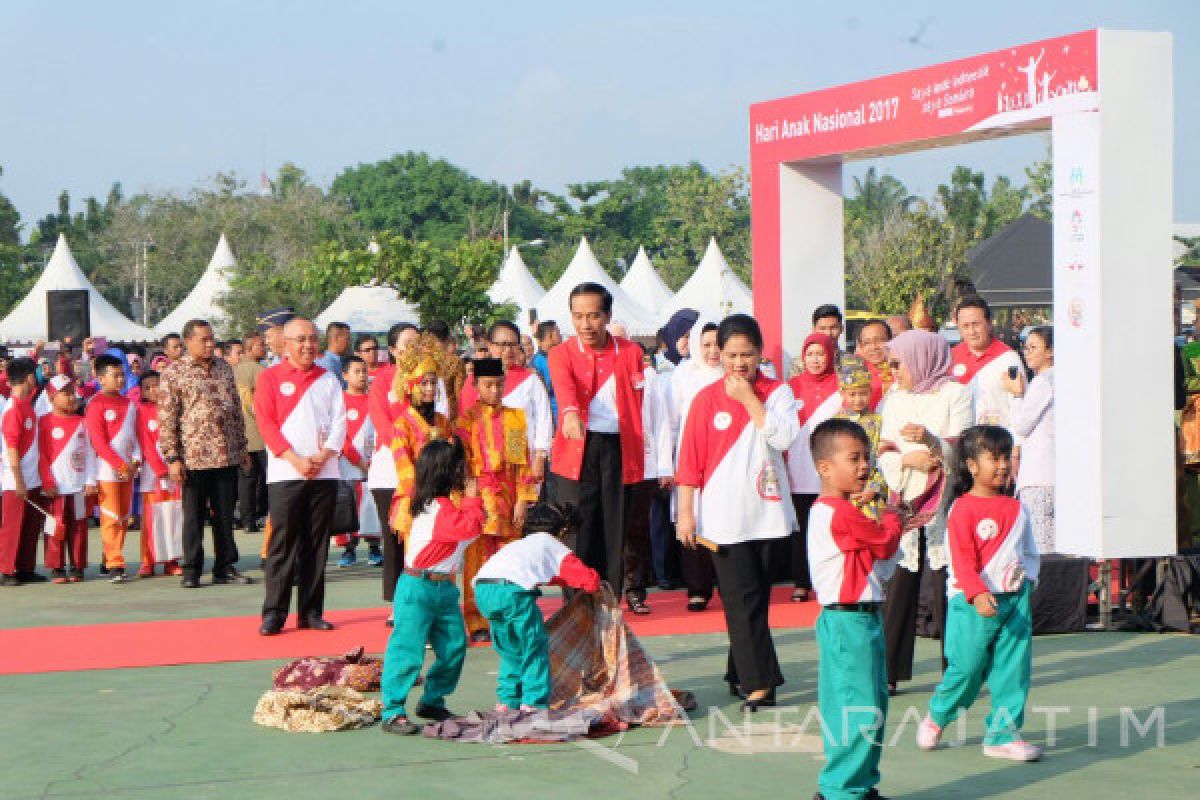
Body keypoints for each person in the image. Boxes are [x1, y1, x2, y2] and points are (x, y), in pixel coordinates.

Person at [676, 314, 800, 712]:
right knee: (740, 599)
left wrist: (749, 399)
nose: (738, 363)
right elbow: (689, 461)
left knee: (755, 600)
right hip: (722, 516)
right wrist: (686, 512)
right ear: (718, 354)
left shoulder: (777, 392)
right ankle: (761, 683)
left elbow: (784, 436)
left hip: (768, 513)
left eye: (747, 354)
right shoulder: (705, 399)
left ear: (760, 353)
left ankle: (738, 671)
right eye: (731, 354)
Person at [916, 425, 1042, 762]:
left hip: (1014, 602)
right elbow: (961, 559)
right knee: (967, 669)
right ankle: (938, 715)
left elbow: (1030, 551)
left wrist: (1028, 580)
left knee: (1012, 670)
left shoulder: (1018, 508)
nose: (1002, 465)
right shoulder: (962, 509)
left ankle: (1002, 735)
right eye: (994, 458)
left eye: (1007, 457)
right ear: (972, 465)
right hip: (971, 603)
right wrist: (976, 594)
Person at [807, 418, 903, 800]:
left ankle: (857, 786)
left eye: (866, 457)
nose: (864, 465)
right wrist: (895, 514)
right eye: (854, 458)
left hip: (858, 618)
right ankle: (841, 790)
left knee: (867, 705)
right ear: (825, 468)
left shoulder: (837, 510)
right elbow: (883, 542)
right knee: (859, 709)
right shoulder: (839, 512)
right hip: (849, 621)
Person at [878, 330, 974, 694]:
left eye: (898, 364)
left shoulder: (956, 393)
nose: (895, 372)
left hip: (945, 505)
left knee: (949, 590)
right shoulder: (894, 399)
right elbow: (884, 449)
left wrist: (931, 443)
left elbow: (961, 449)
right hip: (905, 502)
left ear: (921, 359)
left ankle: (958, 672)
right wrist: (906, 458)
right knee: (899, 589)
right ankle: (888, 670)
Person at [548, 283, 648, 596]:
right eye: (577, 317)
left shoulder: (630, 352)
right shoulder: (561, 353)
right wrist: (569, 413)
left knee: (614, 529)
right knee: (576, 530)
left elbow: (644, 401)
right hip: (577, 448)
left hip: (619, 450)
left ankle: (608, 603)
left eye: (593, 316)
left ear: (607, 315)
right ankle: (575, 605)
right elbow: (565, 391)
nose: (585, 325)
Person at [380, 437, 484, 735]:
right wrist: (473, 500)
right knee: (408, 649)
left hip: (442, 587)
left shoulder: (440, 506)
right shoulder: (437, 507)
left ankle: (431, 700)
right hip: (419, 586)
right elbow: (469, 528)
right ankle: (392, 710)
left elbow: (469, 530)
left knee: (454, 647)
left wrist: (469, 505)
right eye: (459, 468)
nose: (464, 474)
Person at [255, 318, 346, 635]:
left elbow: (340, 421)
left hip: (324, 473)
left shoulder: (329, 379)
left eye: (312, 338)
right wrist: (295, 459)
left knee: (316, 544)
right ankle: (274, 614)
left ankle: (310, 612)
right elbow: (266, 424)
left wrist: (324, 455)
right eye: (300, 339)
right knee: (283, 543)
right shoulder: (269, 378)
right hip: (285, 472)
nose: (307, 345)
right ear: (285, 343)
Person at [473, 502, 601, 711]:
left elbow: (539, 572)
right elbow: (587, 580)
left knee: (511, 651)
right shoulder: (552, 544)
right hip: (512, 593)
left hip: (483, 590)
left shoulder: (519, 545)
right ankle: (533, 703)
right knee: (534, 647)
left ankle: (507, 702)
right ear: (562, 530)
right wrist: (597, 582)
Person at [158, 319, 252, 589]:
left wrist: (242, 447)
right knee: (194, 517)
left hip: (225, 454)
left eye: (212, 338)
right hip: (193, 457)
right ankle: (192, 569)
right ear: (188, 341)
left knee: (224, 515)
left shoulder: (224, 368)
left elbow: (235, 409)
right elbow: (167, 419)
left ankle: (225, 566)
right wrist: (173, 457)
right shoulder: (175, 373)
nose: (211, 344)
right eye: (204, 339)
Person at [454, 357, 539, 642]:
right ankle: (477, 622)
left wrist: (522, 501)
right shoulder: (466, 421)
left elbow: (521, 463)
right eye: (488, 385)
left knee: (509, 560)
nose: (494, 390)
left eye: (499, 384)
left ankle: (510, 615)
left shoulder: (515, 417)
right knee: (477, 561)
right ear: (476, 385)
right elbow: (463, 467)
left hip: (508, 497)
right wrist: (470, 502)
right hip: (478, 497)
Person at [664, 316, 722, 610]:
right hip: (690, 456)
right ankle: (698, 588)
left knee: (724, 519)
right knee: (692, 519)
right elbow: (671, 421)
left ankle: (726, 583)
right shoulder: (684, 374)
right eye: (707, 344)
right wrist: (669, 462)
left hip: (723, 457)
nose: (713, 351)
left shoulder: (733, 374)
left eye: (717, 344)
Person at [367, 322, 421, 609]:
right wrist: (408, 451)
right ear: (392, 350)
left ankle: (422, 602)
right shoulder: (381, 381)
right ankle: (398, 604)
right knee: (394, 541)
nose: (414, 350)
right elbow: (382, 424)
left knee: (422, 539)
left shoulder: (428, 378)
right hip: (390, 472)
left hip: (424, 469)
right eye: (407, 344)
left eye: (418, 343)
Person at [459, 321, 553, 484]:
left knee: (519, 504)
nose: (508, 350)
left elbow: (543, 420)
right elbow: (465, 422)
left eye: (513, 345)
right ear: (489, 345)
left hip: (521, 462)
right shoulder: (475, 378)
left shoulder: (530, 379)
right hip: (482, 465)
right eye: (502, 344)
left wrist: (540, 456)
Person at [786, 332, 842, 602]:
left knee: (829, 525)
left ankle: (828, 579)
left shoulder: (842, 385)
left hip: (829, 469)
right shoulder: (791, 386)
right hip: (798, 468)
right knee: (802, 528)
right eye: (810, 354)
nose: (815, 359)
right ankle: (801, 581)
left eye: (821, 354)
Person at [84, 353, 141, 584]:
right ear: (100, 378)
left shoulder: (129, 403)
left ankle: (108, 558)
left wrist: (135, 462)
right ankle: (116, 563)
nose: (120, 380)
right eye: (115, 375)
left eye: (122, 375)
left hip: (127, 470)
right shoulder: (94, 404)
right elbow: (98, 442)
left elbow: (136, 438)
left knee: (124, 518)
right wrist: (119, 464)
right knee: (110, 517)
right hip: (107, 471)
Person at [38, 375, 96, 583]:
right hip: (55, 486)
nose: (72, 398)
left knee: (79, 525)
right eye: (66, 394)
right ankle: (56, 567)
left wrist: (91, 480)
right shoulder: (43, 422)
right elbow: (42, 455)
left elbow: (90, 453)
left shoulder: (83, 422)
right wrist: (47, 481)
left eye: (73, 394)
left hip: (79, 485)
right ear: (52, 397)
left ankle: (77, 565)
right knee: (55, 526)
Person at [1005, 327, 1055, 552]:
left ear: (1050, 352)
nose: (1027, 353)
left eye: (1034, 348)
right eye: (1026, 347)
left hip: (1039, 474)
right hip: (1054, 472)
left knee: (1041, 545)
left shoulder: (1043, 381)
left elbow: (1021, 425)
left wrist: (1016, 395)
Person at [1, 358, 47, 586]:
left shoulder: (28, 406)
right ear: (29, 377)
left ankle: (25, 567)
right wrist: (18, 481)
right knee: (12, 527)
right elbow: (11, 449)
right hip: (15, 480)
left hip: (32, 477)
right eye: (35, 375)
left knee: (30, 527)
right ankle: (5, 569)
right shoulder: (12, 410)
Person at [335, 355, 383, 568]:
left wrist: (373, 461)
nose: (362, 376)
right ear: (345, 375)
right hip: (348, 467)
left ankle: (374, 548)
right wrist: (357, 461)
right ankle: (349, 549)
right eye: (357, 371)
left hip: (372, 466)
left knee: (371, 506)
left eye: (364, 371)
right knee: (349, 507)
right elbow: (340, 436)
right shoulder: (339, 402)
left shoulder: (374, 400)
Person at [950, 296, 1025, 429]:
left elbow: (1019, 403)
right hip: (963, 440)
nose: (971, 331)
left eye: (976, 324)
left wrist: (1017, 444)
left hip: (998, 440)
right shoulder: (951, 357)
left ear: (989, 323)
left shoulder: (1008, 358)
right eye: (965, 326)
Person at [135, 370, 181, 578]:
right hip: (152, 475)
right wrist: (160, 469)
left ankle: (171, 560)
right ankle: (148, 560)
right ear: (142, 392)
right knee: (151, 520)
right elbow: (145, 443)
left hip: (174, 473)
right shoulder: (141, 412)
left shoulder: (174, 409)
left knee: (173, 516)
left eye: (157, 385)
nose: (153, 390)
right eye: (148, 387)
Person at [833, 356, 886, 521]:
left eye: (863, 394)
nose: (858, 399)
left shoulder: (878, 421)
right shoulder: (836, 422)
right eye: (852, 394)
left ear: (870, 392)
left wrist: (874, 487)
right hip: (844, 492)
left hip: (871, 492)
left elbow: (883, 458)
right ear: (843, 393)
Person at [234, 333, 268, 533]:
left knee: (246, 479)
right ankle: (260, 514)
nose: (264, 348)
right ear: (249, 348)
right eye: (260, 345)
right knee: (261, 478)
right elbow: (255, 405)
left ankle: (247, 519)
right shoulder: (260, 371)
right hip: (258, 431)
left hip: (239, 433)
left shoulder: (234, 370)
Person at [856, 320, 894, 410]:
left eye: (879, 340)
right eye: (867, 343)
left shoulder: (901, 372)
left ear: (891, 341)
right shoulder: (854, 375)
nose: (873, 347)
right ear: (861, 346)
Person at [530, 320, 561, 422]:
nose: (561, 336)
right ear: (550, 337)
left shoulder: (562, 356)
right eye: (558, 333)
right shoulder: (535, 363)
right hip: (550, 416)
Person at [316, 321, 352, 388]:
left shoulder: (341, 361)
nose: (349, 343)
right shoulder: (328, 365)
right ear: (336, 339)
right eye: (347, 339)